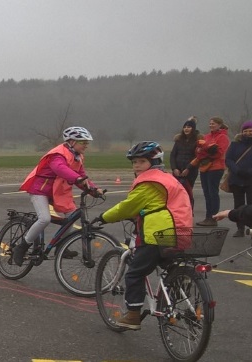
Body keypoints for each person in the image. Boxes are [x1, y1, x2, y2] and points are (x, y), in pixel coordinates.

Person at [94, 141, 193, 330]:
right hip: (180, 230)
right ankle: (182, 281)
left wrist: (104, 217)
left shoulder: (150, 182)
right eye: (134, 162)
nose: (136, 165)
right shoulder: (168, 178)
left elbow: (127, 206)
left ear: (154, 162)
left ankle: (132, 316)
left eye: (141, 161)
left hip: (158, 234)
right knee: (166, 264)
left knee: (135, 273)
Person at [12, 126, 103, 266]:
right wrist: (77, 178)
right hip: (40, 190)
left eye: (86, 142)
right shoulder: (58, 154)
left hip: (58, 192)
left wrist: (94, 189)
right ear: (72, 142)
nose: (86, 145)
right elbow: (60, 169)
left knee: (71, 217)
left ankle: (61, 247)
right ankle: (22, 247)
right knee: (44, 219)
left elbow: (82, 176)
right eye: (83, 142)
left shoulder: (77, 157)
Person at [190, 117, 230, 226]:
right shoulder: (206, 136)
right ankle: (208, 217)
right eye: (210, 123)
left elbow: (218, 153)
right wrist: (206, 150)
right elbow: (198, 151)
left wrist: (205, 150)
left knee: (213, 193)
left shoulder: (223, 137)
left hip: (216, 168)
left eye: (214, 124)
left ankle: (213, 217)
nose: (211, 125)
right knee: (206, 193)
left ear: (219, 125)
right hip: (204, 167)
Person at [223, 120, 252, 237]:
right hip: (236, 180)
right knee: (238, 205)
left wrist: (249, 172)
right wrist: (238, 170)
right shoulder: (235, 144)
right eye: (245, 131)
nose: (248, 133)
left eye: (250, 131)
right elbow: (229, 159)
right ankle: (240, 228)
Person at [169, 117, 203, 210]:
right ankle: (177, 211)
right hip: (177, 171)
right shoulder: (179, 140)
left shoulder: (197, 141)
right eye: (185, 127)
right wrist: (174, 168)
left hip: (190, 171)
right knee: (176, 193)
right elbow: (173, 155)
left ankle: (188, 211)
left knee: (187, 192)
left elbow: (197, 156)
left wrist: (188, 168)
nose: (186, 129)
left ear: (193, 128)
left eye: (189, 127)